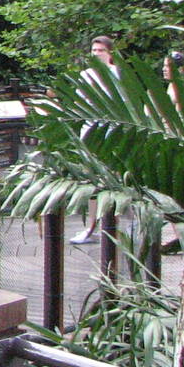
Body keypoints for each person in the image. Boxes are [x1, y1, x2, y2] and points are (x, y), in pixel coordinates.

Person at [70, 34, 120, 245]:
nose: (97, 54)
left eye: (101, 50)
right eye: (94, 51)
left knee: (114, 179)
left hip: (113, 131)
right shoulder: (86, 75)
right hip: (90, 130)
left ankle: (113, 226)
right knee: (92, 180)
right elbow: (80, 103)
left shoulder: (118, 74)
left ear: (110, 53)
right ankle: (91, 228)